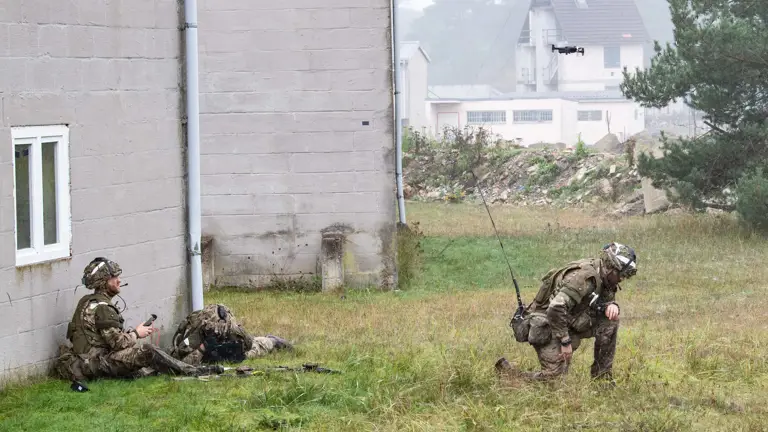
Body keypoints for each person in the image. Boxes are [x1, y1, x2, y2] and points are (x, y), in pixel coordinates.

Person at [53, 257, 223, 382]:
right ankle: (192, 371)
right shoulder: (103, 308)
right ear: (104, 283)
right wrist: (136, 333)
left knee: (150, 363)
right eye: (114, 278)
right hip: (97, 363)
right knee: (148, 352)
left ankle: (193, 356)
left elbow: (101, 338)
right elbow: (117, 344)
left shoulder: (87, 302)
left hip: (90, 360)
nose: (119, 281)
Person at [496, 242, 638, 382]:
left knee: (610, 321)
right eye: (621, 275)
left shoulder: (604, 275)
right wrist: (565, 342)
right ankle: (508, 374)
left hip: (568, 319)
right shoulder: (584, 278)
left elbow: (599, 300)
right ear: (612, 267)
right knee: (553, 379)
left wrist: (612, 306)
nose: (621, 279)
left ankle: (602, 379)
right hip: (547, 323)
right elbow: (555, 308)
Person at [169, 303, 293, 366]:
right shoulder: (193, 335)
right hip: (203, 354)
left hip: (228, 350)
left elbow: (249, 344)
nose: (218, 332)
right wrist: (203, 348)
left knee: (253, 350)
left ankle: (273, 341)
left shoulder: (231, 328)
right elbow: (178, 363)